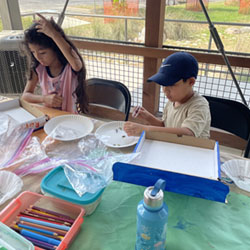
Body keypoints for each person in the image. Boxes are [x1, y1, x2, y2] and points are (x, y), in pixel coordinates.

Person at [124, 51, 211, 138]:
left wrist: (146, 129)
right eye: (163, 84)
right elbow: (165, 127)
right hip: (174, 145)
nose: (165, 90)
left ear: (191, 82)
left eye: (171, 84)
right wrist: (148, 117)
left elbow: (188, 133)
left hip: (194, 149)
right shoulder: (171, 102)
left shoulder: (199, 105)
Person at [21, 13, 88, 114]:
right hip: (50, 116)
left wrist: (53, 34)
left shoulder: (70, 66)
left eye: (42, 52)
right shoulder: (38, 68)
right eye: (33, 52)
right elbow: (25, 96)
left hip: (70, 118)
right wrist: (44, 99)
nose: (38, 57)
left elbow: (77, 65)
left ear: (56, 48)